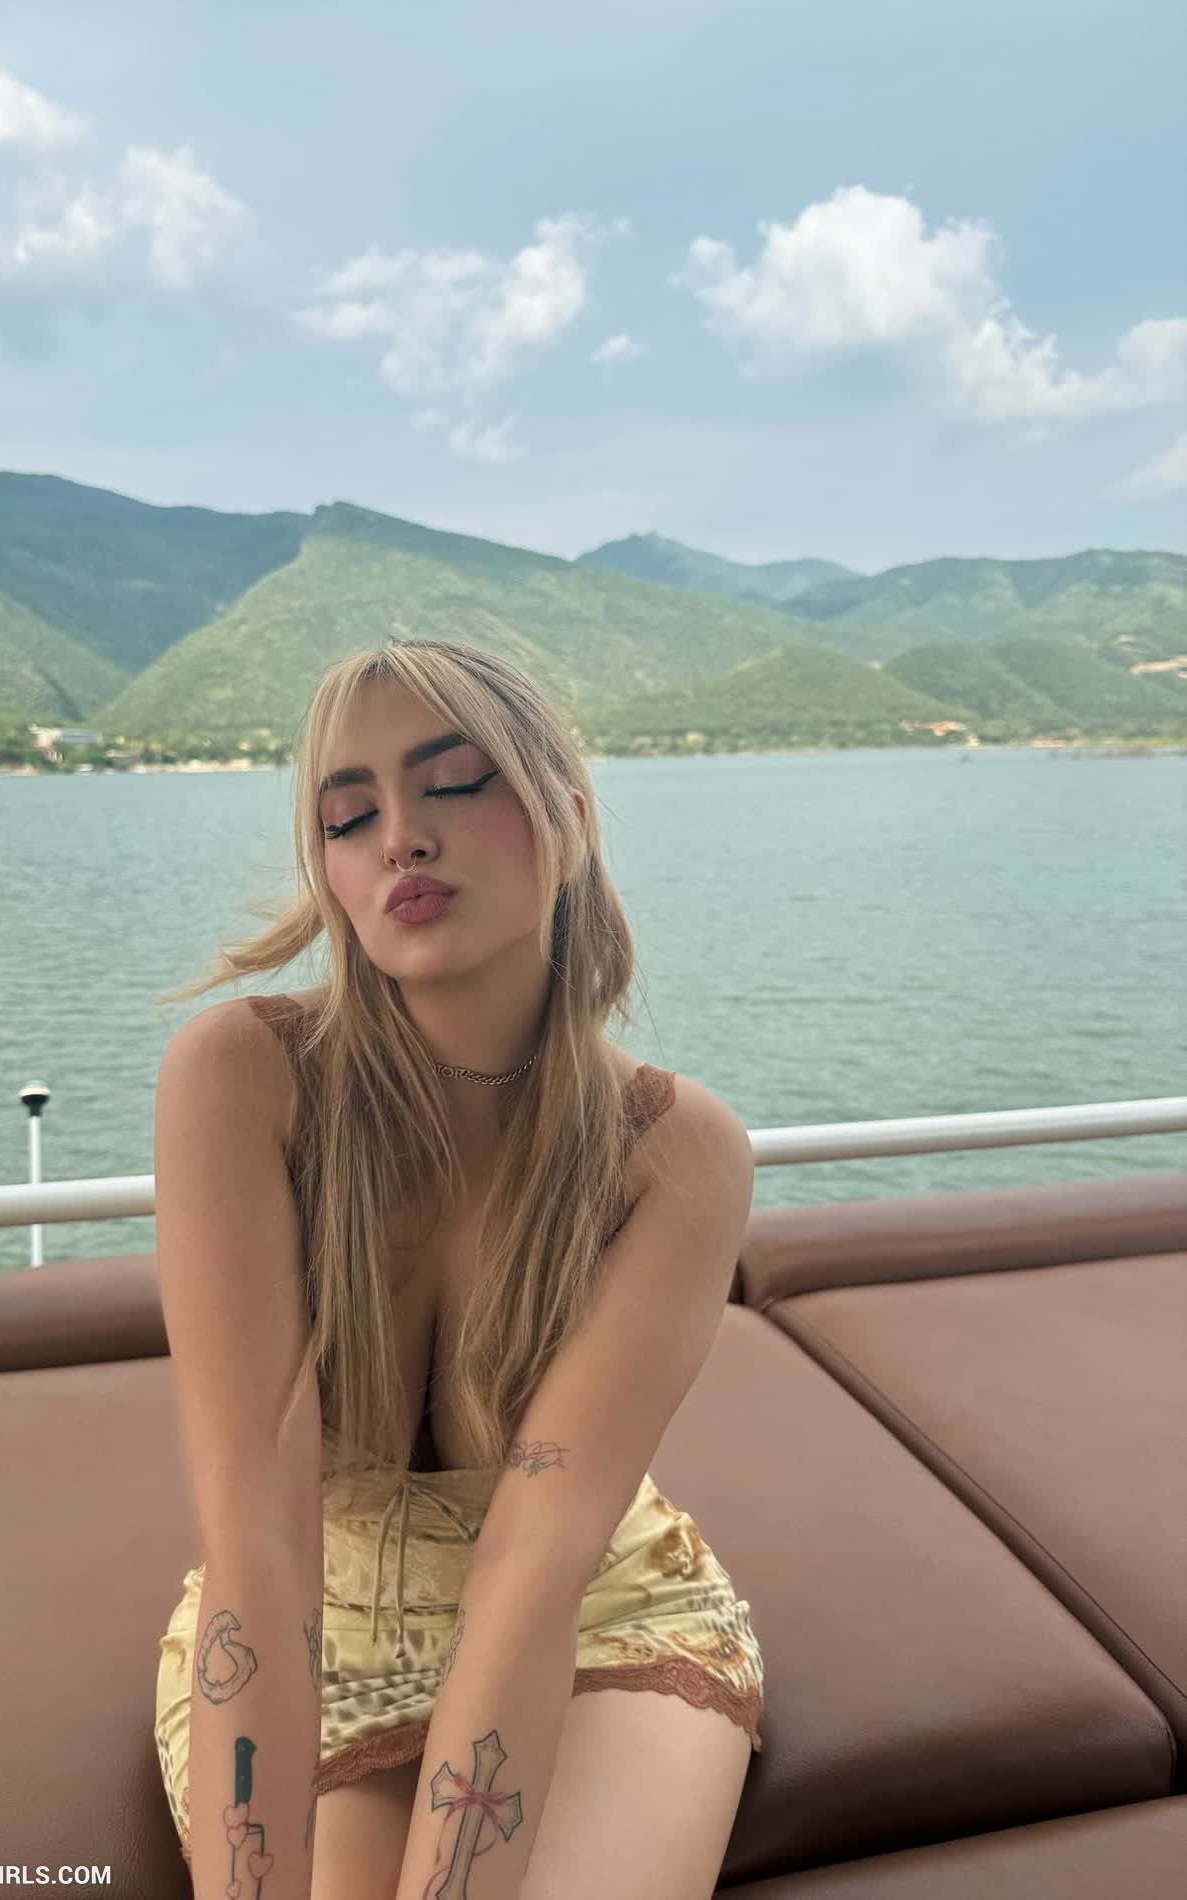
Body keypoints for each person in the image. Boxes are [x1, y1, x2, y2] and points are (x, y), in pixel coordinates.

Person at [152, 638, 764, 1900]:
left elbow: (537, 1563)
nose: (401, 838)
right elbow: (257, 1535)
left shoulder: (675, 1150)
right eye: (349, 815)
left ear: (568, 822)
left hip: (602, 1614)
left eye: (453, 782)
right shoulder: (243, 1078)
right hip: (314, 1618)